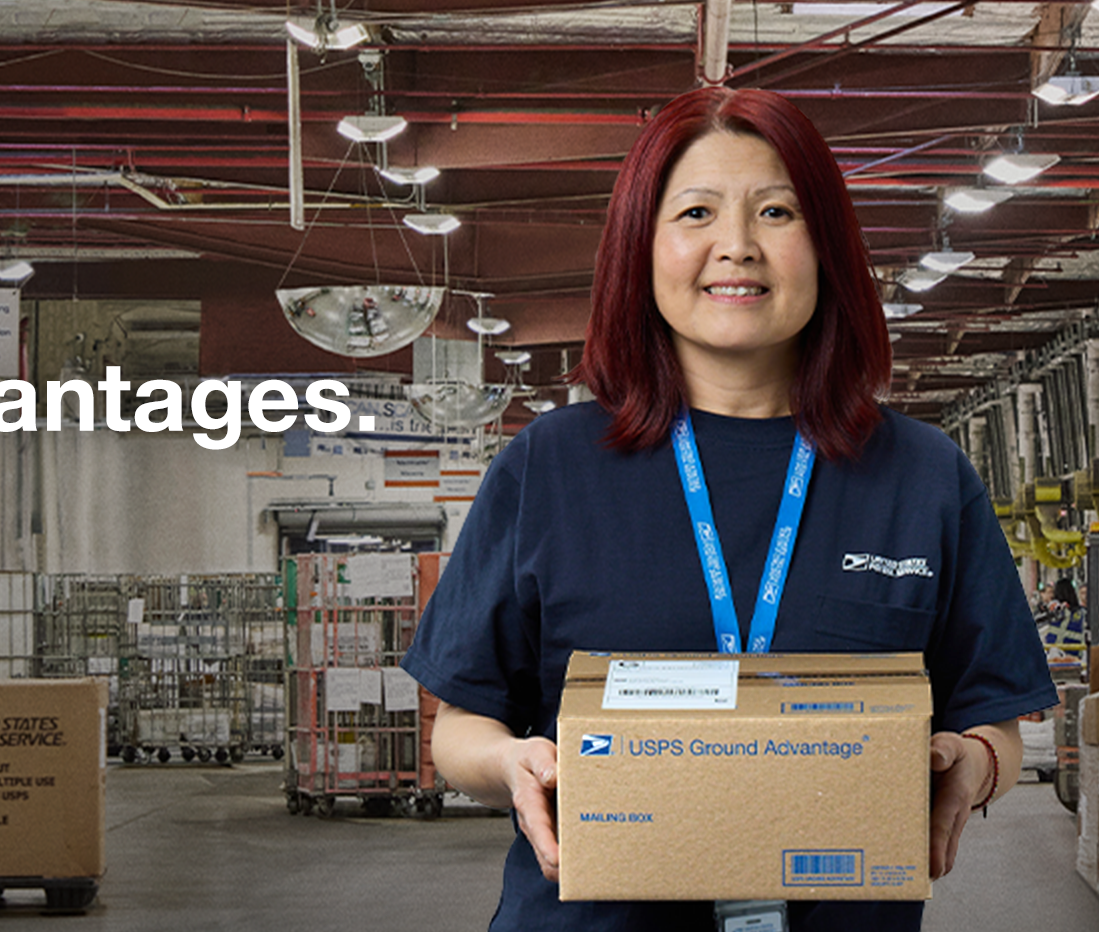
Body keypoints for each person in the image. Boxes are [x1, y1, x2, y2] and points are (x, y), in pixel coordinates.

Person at [399, 87, 1057, 931]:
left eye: (777, 212)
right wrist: (509, 762)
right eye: (697, 212)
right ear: (642, 248)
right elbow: (459, 724)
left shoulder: (921, 477)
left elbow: (993, 719)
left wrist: (975, 764)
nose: (736, 247)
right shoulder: (548, 467)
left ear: (826, 246)